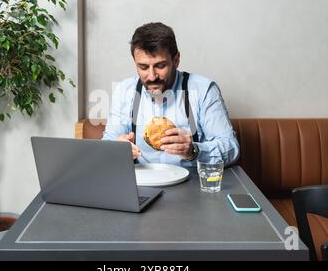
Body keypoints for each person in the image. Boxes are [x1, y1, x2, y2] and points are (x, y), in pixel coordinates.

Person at [102, 22, 239, 167]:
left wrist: (194, 151)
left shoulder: (203, 90)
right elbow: (107, 146)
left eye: (160, 66)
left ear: (176, 60)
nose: (152, 76)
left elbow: (231, 147)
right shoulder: (125, 91)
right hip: (140, 184)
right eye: (143, 67)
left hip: (192, 184)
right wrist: (116, 150)